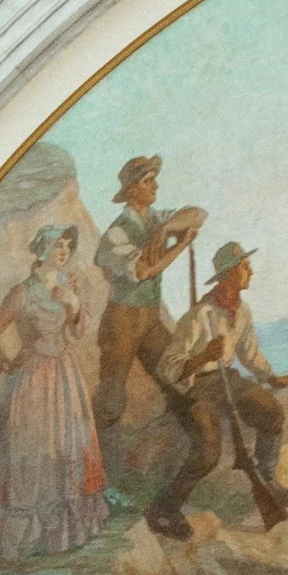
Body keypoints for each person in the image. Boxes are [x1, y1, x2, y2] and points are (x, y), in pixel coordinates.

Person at [0, 223, 109, 562]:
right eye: (56, 245)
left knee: (66, 449)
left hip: (66, 378)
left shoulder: (67, 286)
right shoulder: (22, 292)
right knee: (27, 452)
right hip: (32, 380)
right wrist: (3, 365)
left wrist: (73, 304)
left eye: (66, 246)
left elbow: (78, 333)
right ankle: (18, 542)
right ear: (41, 249)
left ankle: (59, 537)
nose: (63, 251)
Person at [148, 239, 288, 539]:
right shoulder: (199, 315)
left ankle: (267, 478)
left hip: (227, 380)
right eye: (245, 266)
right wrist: (203, 356)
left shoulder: (241, 311)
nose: (251, 271)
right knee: (208, 452)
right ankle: (164, 510)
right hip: (195, 387)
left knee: (272, 411)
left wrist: (270, 378)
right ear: (229, 273)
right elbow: (167, 367)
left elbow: (249, 352)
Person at [93, 155, 204, 437]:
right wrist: (180, 245)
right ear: (132, 191)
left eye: (154, 179)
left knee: (175, 376)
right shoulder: (116, 234)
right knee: (112, 398)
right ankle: (99, 464)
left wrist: (167, 230)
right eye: (148, 180)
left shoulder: (157, 219)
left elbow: (198, 214)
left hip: (150, 319)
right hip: (123, 321)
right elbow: (144, 271)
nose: (155, 185)